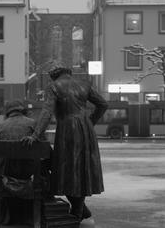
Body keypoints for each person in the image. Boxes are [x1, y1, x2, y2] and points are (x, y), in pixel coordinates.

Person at [21, 61, 108, 221]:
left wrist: (35, 135)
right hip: (85, 127)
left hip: (68, 128)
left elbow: (47, 112)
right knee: (82, 168)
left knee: (66, 168)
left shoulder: (54, 86)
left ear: (54, 76)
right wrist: (90, 122)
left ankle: (78, 211)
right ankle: (79, 209)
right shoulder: (84, 84)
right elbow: (103, 104)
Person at [0, 99, 41, 225]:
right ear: (22, 110)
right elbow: (44, 151)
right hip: (28, 175)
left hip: (6, 176)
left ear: (8, 112)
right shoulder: (33, 124)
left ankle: (6, 217)